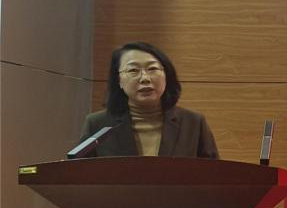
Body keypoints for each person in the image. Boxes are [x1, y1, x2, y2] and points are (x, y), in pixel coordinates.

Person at [78, 42, 219, 158]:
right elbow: (80, 175)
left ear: (166, 75)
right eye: (133, 71)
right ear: (119, 80)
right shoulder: (97, 125)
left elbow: (213, 176)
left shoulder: (193, 123)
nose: (145, 78)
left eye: (152, 69)